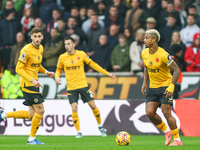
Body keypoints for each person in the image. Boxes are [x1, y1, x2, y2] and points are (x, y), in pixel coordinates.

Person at [0, 27, 55, 145]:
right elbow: (18, 69)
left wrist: (46, 72)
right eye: (35, 36)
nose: (37, 39)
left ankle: (3, 115)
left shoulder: (41, 48)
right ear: (31, 37)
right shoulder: (26, 50)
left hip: (34, 83)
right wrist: (32, 80)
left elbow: (37, 65)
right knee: (40, 110)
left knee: (31, 114)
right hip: (28, 83)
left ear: (42, 37)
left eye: (39, 36)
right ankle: (31, 139)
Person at [55, 37, 116, 138]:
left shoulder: (81, 54)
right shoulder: (62, 57)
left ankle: (100, 127)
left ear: (74, 44)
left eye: (69, 44)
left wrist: (107, 73)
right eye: (65, 44)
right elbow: (58, 69)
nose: (67, 46)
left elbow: (93, 64)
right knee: (74, 108)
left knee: (93, 106)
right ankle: (78, 132)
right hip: (71, 87)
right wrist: (56, 77)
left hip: (83, 85)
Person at [141, 29, 183, 146]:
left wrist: (171, 87)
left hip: (165, 86)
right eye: (144, 37)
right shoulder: (144, 53)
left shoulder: (163, 54)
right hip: (153, 87)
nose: (144, 40)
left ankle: (177, 140)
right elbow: (146, 68)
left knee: (166, 112)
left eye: (146, 38)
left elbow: (176, 70)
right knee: (149, 113)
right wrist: (145, 83)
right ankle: (166, 131)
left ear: (154, 40)